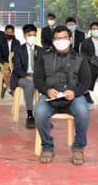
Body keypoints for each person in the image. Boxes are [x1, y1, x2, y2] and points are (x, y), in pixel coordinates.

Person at [34, 25, 91, 165]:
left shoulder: (79, 59)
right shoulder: (44, 57)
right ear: (53, 41)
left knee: (83, 111)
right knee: (39, 113)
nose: (61, 41)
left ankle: (78, 147)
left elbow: (86, 81)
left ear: (70, 39)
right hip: (50, 95)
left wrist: (75, 92)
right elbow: (37, 79)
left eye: (64, 38)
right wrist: (47, 90)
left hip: (73, 96)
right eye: (57, 38)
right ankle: (47, 146)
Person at [10, 24, 45, 128]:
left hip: (36, 77)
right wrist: (27, 76)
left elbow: (44, 68)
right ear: (24, 36)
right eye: (29, 35)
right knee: (29, 85)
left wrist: (38, 77)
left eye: (34, 35)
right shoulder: (18, 49)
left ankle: (43, 115)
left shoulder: (41, 50)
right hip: (21, 77)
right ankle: (30, 115)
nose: (32, 37)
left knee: (47, 84)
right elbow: (17, 68)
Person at [0, 24, 20, 98]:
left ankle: (6, 86)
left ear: (13, 33)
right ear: (5, 32)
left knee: (9, 71)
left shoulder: (17, 42)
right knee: (6, 72)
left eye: (11, 32)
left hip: (13, 64)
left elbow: (18, 56)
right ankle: (10, 89)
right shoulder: (0, 42)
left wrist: (10, 63)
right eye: (7, 32)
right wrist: (4, 63)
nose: (9, 34)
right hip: (1, 63)